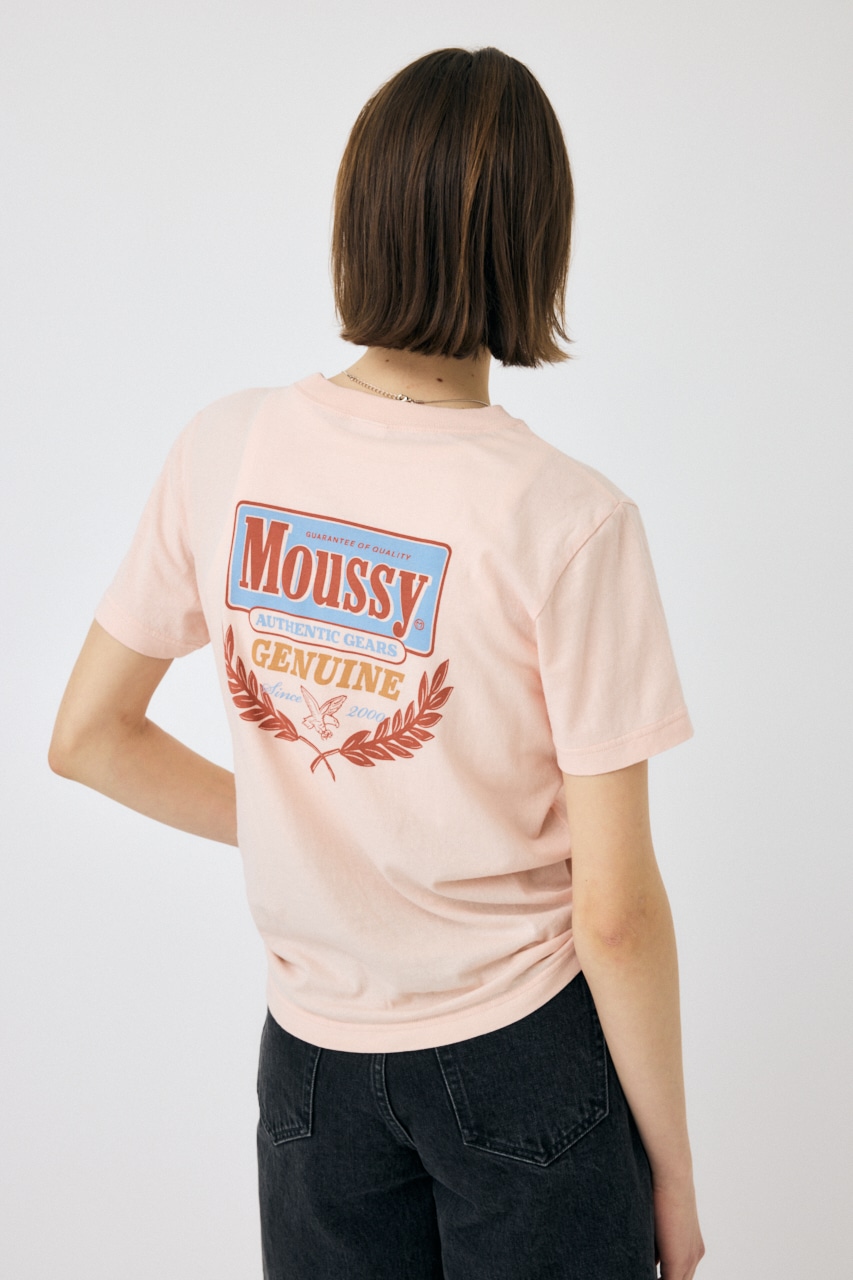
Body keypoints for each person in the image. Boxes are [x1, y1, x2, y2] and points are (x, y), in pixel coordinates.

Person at [49, 45, 705, 1280]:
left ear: (357, 219)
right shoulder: (569, 519)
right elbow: (615, 912)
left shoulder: (224, 447)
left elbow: (87, 734)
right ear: (536, 241)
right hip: (524, 1058)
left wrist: (317, 829)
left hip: (312, 1075)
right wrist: (667, 1166)